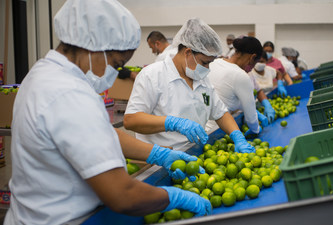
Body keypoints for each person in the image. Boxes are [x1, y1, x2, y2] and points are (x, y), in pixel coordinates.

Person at [4, 1, 211, 224]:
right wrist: (174, 197)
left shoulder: (44, 74)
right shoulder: (69, 94)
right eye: (116, 63)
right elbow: (123, 195)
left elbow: (99, 134)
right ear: (93, 47)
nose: (114, 73)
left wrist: (159, 154)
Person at [123, 18, 255, 154]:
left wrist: (238, 136)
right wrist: (172, 123)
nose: (207, 68)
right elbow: (131, 120)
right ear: (187, 52)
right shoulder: (152, 75)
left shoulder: (201, 79)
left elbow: (220, 113)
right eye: (204, 63)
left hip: (196, 154)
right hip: (163, 159)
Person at [207, 36, 275, 136]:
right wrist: (255, 129)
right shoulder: (241, 75)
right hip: (219, 129)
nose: (251, 69)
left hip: (201, 126)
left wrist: (245, 108)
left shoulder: (214, 63)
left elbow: (224, 97)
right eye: (254, 64)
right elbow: (251, 119)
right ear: (252, 57)